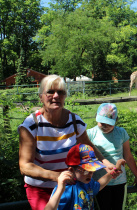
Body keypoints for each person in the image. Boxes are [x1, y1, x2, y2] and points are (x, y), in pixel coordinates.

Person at [18, 75, 117, 210]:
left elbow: (89, 147)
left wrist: (106, 165)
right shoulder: (31, 125)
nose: (56, 95)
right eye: (50, 92)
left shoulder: (75, 122)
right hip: (41, 189)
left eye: (61, 92)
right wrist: (57, 177)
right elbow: (25, 166)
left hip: (71, 187)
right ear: (41, 96)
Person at [87, 103, 137, 210]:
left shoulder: (121, 133)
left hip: (119, 181)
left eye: (109, 124)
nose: (105, 126)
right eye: (102, 122)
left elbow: (128, 156)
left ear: (116, 121)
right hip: (100, 182)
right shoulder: (90, 134)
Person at [44, 143, 126, 210]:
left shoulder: (88, 183)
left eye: (93, 170)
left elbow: (99, 185)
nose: (90, 174)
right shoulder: (65, 188)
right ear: (72, 170)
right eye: (86, 171)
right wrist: (60, 190)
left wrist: (112, 173)